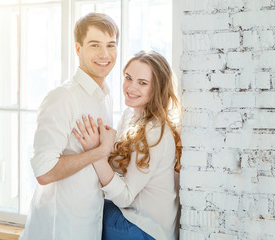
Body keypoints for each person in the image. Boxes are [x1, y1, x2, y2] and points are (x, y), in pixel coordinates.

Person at [19, 12, 119, 240]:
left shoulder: (106, 97)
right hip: (57, 228)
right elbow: (43, 172)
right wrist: (99, 152)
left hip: (88, 223)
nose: (105, 54)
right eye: (95, 45)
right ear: (78, 49)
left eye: (110, 45)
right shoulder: (62, 97)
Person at [73, 50, 182, 240]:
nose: (131, 87)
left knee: (78, 209)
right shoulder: (129, 115)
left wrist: (95, 153)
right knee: (80, 201)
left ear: (157, 88)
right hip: (134, 220)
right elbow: (115, 169)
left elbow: (125, 196)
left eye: (142, 83)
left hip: (144, 230)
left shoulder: (153, 132)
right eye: (128, 78)